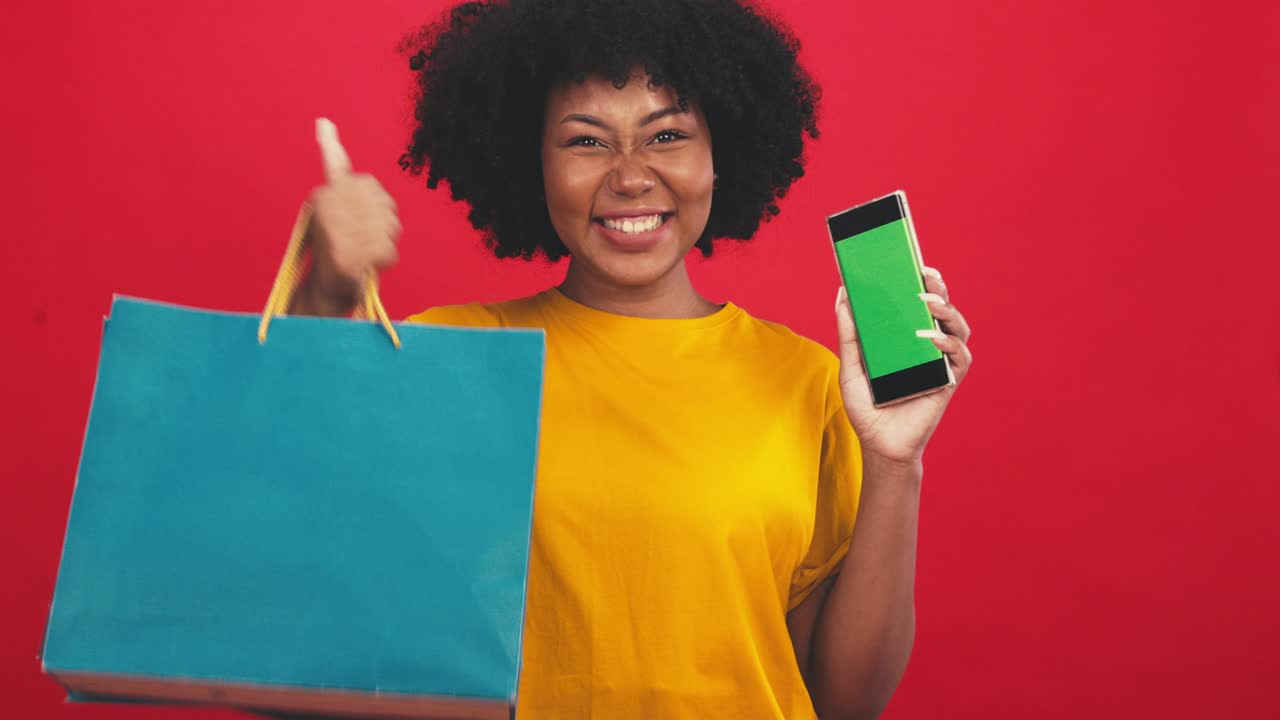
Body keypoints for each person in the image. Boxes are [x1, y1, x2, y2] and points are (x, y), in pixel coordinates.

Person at [288, 1, 972, 718]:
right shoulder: (459, 358)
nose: (631, 177)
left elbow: (844, 703)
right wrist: (322, 293)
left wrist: (896, 464)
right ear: (533, 163)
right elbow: (291, 493)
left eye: (667, 134)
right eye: (587, 142)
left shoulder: (805, 382)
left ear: (719, 156)